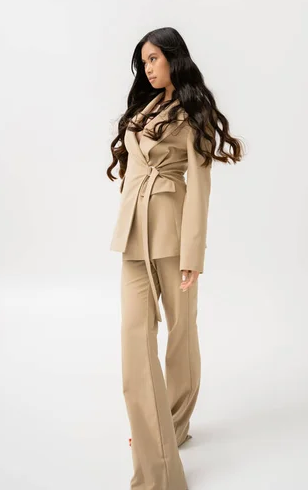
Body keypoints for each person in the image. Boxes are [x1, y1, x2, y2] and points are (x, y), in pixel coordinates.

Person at [106, 26, 244, 490]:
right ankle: (157, 464)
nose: (147, 68)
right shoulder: (142, 110)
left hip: (171, 235)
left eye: (153, 59)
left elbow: (200, 187)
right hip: (131, 234)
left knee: (181, 333)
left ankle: (176, 423)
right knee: (133, 344)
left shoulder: (192, 111)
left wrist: (192, 254)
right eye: (142, 62)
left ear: (173, 59)